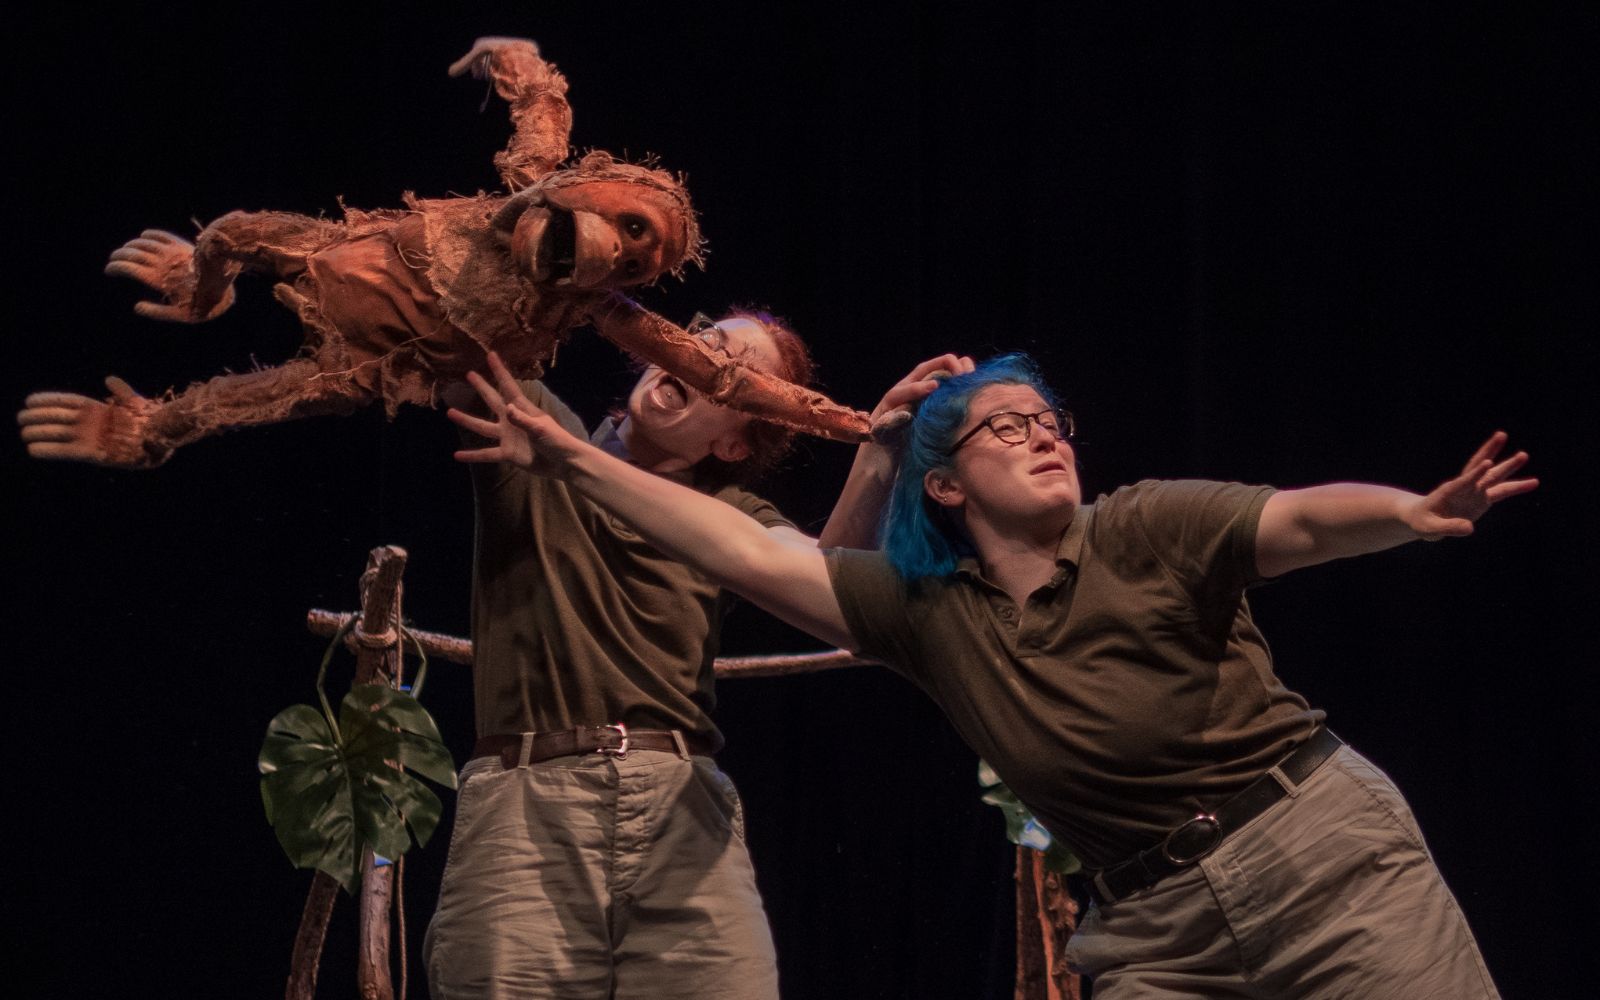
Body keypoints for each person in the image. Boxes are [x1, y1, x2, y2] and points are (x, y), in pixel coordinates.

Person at [454, 349, 1535, 999]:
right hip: (1156, 928)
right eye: (1004, 428)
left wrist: (1409, 513)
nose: (1042, 437)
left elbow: (1299, 520)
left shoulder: (1146, 524)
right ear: (947, 487)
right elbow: (749, 553)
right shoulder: (924, 612)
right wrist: (571, 455)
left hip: (1317, 856)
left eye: (1049, 423)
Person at [427, 311, 965, 1000]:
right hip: (529, 805)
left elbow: (827, 581)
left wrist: (879, 448)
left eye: (728, 372)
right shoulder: (544, 437)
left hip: (679, 808)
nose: (697, 358)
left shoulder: (727, 517)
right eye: (702, 340)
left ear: (734, 442)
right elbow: (456, 333)